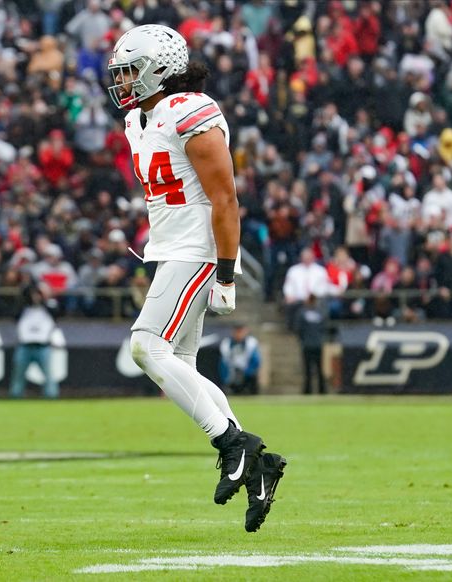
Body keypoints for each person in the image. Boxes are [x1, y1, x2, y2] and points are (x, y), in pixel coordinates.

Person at [108, 24, 284, 532]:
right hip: (172, 250)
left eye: (129, 70)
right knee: (179, 363)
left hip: (198, 250)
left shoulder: (192, 110)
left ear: (159, 68)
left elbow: (225, 199)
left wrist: (227, 272)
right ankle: (259, 464)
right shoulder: (139, 120)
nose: (121, 81)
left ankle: (233, 442)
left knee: (146, 346)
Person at [9, 282, 60, 399]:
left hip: (43, 347)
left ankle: (51, 398)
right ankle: (15, 397)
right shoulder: (24, 309)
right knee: (18, 376)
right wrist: (28, 293)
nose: (36, 296)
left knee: (49, 376)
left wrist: (45, 297)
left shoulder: (48, 308)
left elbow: (57, 312)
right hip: (24, 346)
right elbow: (14, 313)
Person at [295, 295, 329, 394]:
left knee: (308, 369)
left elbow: (298, 328)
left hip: (307, 344)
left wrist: (303, 340)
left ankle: (308, 390)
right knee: (319, 369)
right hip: (318, 344)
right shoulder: (320, 313)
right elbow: (324, 327)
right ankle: (321, 390)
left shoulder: (302, 313)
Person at [218, 323, 261, 395]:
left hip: (246, 373)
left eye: (241, 332)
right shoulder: (226, 343)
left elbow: (256, 361)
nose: (239, 334)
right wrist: (226, 377)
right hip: (232, 372)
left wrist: (247, 372)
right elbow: (224, 362)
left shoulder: (251, 343)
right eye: (237, 332)